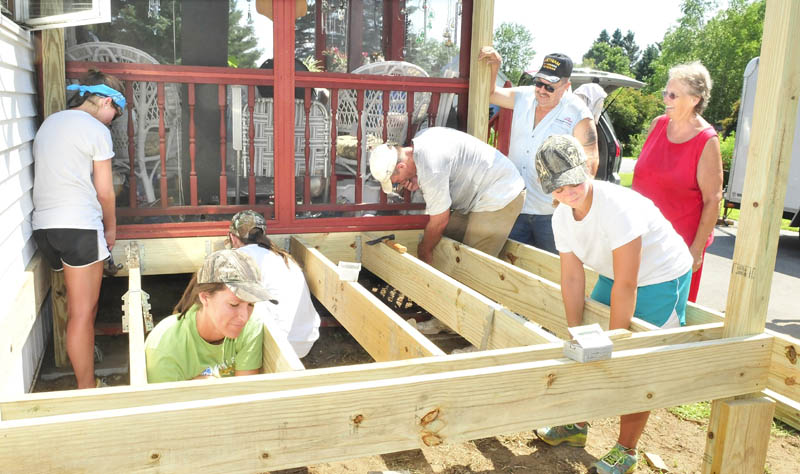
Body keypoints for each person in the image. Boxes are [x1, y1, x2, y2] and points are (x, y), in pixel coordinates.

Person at [532, 135, 693, 474]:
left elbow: (628, 283)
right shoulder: (562, 216)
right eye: (558, 189)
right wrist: (575, 332)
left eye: (574, 182)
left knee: (637, 363)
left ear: (588, 168)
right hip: (613, 272)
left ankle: (626, 449)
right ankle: (575, 426)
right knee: (586, 348)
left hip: (658, 276)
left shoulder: (616, 207)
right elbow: (573, 278)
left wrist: (616, 342)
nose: (568, 192)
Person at [31, 70, 126, 389]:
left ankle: (85, 374)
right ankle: (88, 391)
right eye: (116, 113)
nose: (113, 120)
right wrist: (110, 230)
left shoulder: (50, 123)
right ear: (107, 102)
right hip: (79, 228)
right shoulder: (96, 129)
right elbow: (105, 192)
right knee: (82, 315)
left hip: (44, 227)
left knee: (81, 309)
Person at [478, 47, 599, 253]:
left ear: (566, 86)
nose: (542, 90)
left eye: (550, 87)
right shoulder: (523, 97)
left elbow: (590, 160)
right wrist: (495, 66)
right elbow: (490, 94)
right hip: (516, 205)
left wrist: (573, 197)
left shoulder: (577, 112)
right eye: (539, 83)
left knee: (554, 269)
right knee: (511, 267)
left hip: (552, 212)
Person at [633, 61, 723, 302]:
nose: (666, 99)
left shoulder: (706, 140)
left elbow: (713, 200)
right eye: (666, 93)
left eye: (673, 95)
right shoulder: (657, 124)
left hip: (679, 247)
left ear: (694, 99)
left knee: (667, 316)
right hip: (642, 238)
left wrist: (695, 251)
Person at [369, 126, 525, 264]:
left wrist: (424, 251)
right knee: (448, 242)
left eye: (395, 182)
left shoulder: (431, 169)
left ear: (401, 166)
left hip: (501, 191)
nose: (399, 184)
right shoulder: (422, 139)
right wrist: (419, 178)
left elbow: (439, 221)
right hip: (479, 191)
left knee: (474, 266)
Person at [145, 249, 273, 383]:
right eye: (234, 304)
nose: (244, 317)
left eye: (251, 304)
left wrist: (206, 387)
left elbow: (246, 392)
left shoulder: (251, 324)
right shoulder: (164, 347)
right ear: (205, 297)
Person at [228, 210, 320, 358]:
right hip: (305, 340)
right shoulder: (282, 257)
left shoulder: (238, 258)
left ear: (233, 237)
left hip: (279, 343)